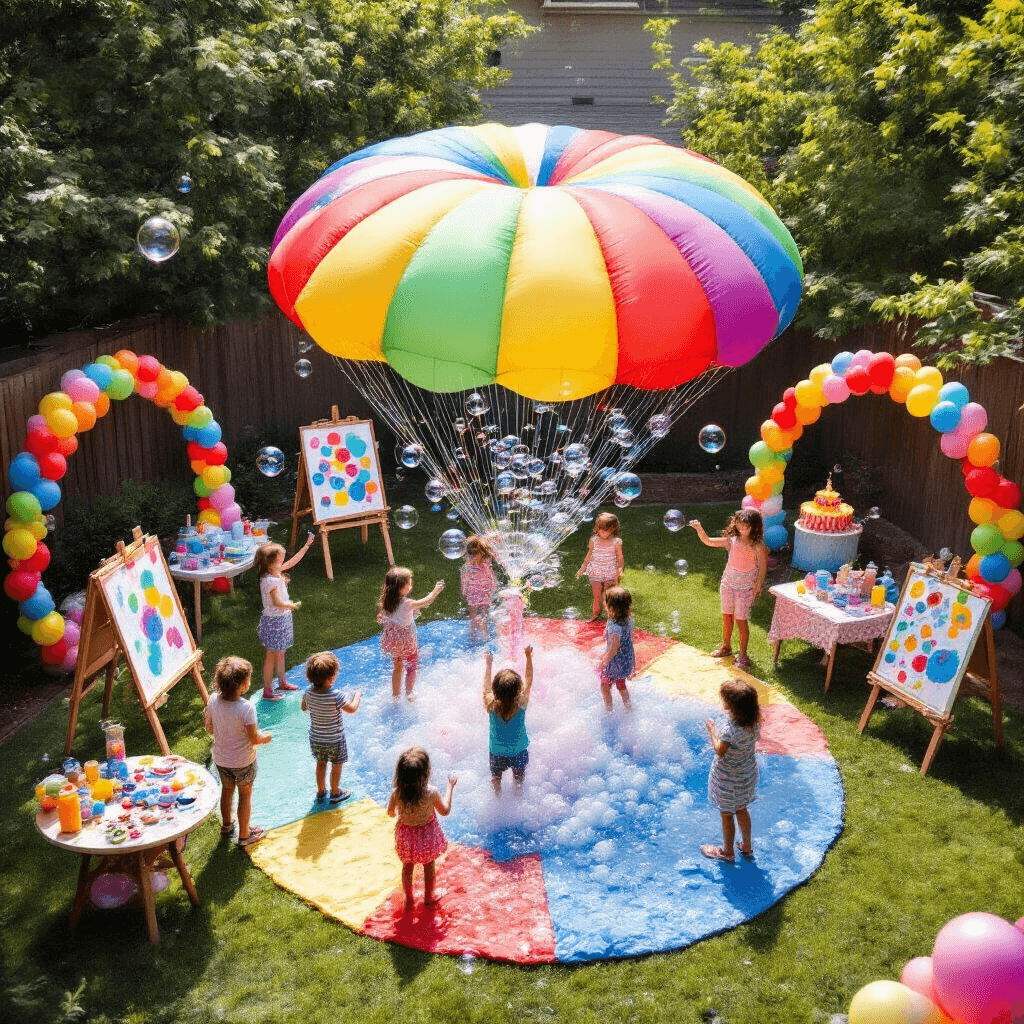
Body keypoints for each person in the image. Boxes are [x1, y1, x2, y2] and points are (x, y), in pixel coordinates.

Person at [203, 656, 271, 848]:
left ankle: (226, 825)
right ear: (242, 685)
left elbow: (208, 725)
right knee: (245, 795)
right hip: (243, 762)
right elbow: (254, 739)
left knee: (226, 790)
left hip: (221, 759)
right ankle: (244, 835)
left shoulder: (213, 700)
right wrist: (266, 737)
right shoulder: (246, 708)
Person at [689, 509, 767, 669]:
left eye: (746, 527)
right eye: (740, 526)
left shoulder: (757, 546)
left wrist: (758, 585)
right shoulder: (731, 541)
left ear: (754, 527)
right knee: (727, 617)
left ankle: (743, 655)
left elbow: (763, 568)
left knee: (741, 620)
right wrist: (699, 529)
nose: (742, 529)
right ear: (735, 524)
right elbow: (709, 541)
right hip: (728, 585)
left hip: (745, 589)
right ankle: (726, 647)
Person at [386, 747, 457, 910]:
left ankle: (409, 898)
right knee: (428, 865)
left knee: (407, 865)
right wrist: (450, 787)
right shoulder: (431, 792)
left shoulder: (397, 793)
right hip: (427, 836)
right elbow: (445, 811)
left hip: (406, 837)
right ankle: (428, 897)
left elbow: (390, 813)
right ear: (426, 773)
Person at [701, 678, 761, 863]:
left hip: (728, 781)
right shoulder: (755, 723)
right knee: (742, 809)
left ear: (732, 707)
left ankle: (727, 852)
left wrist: (712, 730)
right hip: (746, 776)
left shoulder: (730, 730)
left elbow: (720, 750)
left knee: (727, 814)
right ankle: (746, 846)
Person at [255, 536, 314, 700]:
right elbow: (278, 602)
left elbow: (293, 562)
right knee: (270, 657)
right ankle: (267, 691)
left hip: (281, 620)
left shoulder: (275, 573)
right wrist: (291, 605)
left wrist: (306, 545)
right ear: (271, 564)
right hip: (274, 622)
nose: (283, 562)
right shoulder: (270, 581)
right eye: (280, 560)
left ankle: (282, 682)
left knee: (280, 653)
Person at [301, 651, 361, 804]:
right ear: (331, 678)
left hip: (316, 739)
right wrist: (357, 696)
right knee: (336, 765)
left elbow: (303, 707)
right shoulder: (336, 695)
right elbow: (352, 709)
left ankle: (321, 791)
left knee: (321, 763)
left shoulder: (308, 692)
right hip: (335, 740)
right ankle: (335, 792)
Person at [378, 567, 445, 700]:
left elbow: (381, 616)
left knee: (397, 667)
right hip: (406, 641)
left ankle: (396, 695)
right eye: (408, 584)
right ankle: (409, 693)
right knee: (411, 667)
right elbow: (426, 601)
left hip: (393, 641)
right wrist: (436, 591)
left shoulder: (385, 601)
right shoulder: (407, 603)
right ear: (401, 588)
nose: (411, 586)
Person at [482, 646, 534, 796]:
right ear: (518, 690)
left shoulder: (490, 704)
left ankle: (497, 797)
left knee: (496, 777)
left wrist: (488, 664)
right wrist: (528, 656)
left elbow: (486, 689)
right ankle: (517, 796)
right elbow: (529, 680)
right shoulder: (521, 703)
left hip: (497, 751)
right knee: (519, 778)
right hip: (518, 750)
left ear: (495, 690)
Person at [576, 512, 624, 620]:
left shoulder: (616, 542)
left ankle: (610, 618)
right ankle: (594, 616)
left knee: (609, 597)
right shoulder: (594, 540)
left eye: (605, 529)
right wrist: (582, 568)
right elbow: (589, 555)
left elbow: (620, 560)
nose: (602, 531)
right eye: (599, 528)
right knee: (597, 597)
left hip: (610, 573)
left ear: (613, 529)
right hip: (595, 572)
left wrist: (619, 571)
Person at [599, 586, 635, 711]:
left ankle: (608, 710)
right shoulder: (628, 619)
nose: (604, 603)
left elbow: (614, 646)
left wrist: (604, 661)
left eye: (606, 601)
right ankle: (628, 707)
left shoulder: (615, 627)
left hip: (615, 662)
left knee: (605, 685)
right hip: (626, 660)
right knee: (621, 683)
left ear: (611, 607)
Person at [461, 535, 498, 643]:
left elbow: (491, 575)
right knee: (473, 614)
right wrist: (464, 589)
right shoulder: (469, 563)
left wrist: (493, 537)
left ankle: (485, 636)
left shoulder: (486, 561)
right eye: (471, 553)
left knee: (483, 614)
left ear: (482, 553)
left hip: (485, 591)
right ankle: (472, 636)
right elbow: (464, 577)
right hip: (472, 592)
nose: (473, 557)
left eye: (476, 553)